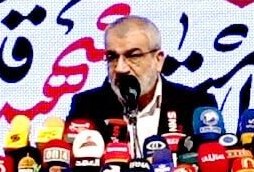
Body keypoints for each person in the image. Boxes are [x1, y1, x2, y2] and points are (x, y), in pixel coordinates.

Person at [67, 15, 217, 140]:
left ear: (158, 60)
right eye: (112, 57)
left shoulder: (196, 105)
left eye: (133, 56)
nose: (120, 68)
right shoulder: (86, 107)